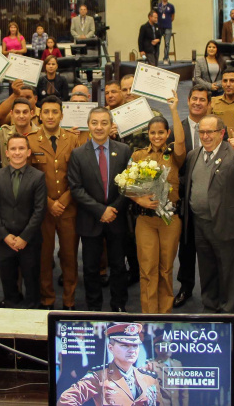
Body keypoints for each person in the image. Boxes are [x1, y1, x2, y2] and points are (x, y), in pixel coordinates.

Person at [184, 114, 234, 313]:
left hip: (225, 222)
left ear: (222, 133)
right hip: (199, 223)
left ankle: (227, 310)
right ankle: (210, 304)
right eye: (202, 132)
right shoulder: (194, 154)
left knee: (228, 269)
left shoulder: (232, 153)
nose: (205, 136)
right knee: (206, 267)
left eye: (210, 132)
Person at [68, 107, 132, 312]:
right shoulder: (77, 154)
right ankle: (93, 306)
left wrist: (113, 209)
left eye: (104, 123)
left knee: (118, 266)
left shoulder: (123, 150)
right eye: (94, 123)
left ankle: (119, 304)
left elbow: (129, 185)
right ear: (88, 125)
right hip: (90, 219)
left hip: (117, 217)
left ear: (111, 125)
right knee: (90, 267)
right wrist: (100, 210)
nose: (99, 127)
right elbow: (76, 189)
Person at [27, 96, 88, 310]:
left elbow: (80, 174)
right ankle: (47, 298)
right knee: (44, 257)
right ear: (39, 114)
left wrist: (64, 199)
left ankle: (69, 300)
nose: (50, 116)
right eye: (46, 112)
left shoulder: (73, 139)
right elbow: (28, 177)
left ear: (62, 114)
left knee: (70, 256)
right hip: (42, 210)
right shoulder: (31, 140)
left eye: (55, 112)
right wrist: (47, 202)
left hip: (69, 207)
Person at [127, 94, 184, 313]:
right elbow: (127, 185)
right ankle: (149, 314)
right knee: (148, 269)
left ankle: (165, 313)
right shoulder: (139, 155)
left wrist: (174, 110)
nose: (157, 136)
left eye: (161, 132)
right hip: (146, 220)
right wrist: (138, 198)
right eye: (153, 133)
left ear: (167, 133)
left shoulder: (174, 155)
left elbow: (180, 141)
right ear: (148, 134)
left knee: (165, 269)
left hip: (170, 220)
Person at [0, 134, 46, 308]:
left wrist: (24, 238)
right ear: (6, 153)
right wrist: (5, 235)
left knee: (32, 279)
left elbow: (39, 210)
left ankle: (33, 308)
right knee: (7, 279)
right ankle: (11, 304)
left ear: (28, 152)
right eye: (13, 149)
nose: (17, 152)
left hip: (29, 240)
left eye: (21, 149)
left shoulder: (38, 177)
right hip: (5, 240)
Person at [57, 323, 159, 406]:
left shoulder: (149, 378)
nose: (132, 350)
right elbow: (66, 399)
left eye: (135, 346)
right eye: (125, 345)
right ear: (111, 348)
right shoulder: (99, 376)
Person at [173, 86, 210, 309]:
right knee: (186, 247)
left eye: (202, 99)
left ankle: (210, 290)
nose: (198, 102)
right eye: (194, 98)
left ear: (209, 104)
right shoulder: (177, 128)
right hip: (184, 198)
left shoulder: (215, 128)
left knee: (208, 247)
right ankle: (185, 287)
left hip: (209, 198)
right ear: (188, 101)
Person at [155, 0, 175, 65]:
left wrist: (168, 21)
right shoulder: (158, 6)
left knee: (167, 43)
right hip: (159, 27)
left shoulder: (171, 6)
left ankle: (166, 58)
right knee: (157, 43)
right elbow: (155, 15)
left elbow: (172, 17)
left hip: (168, 27)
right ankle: (156, 58)